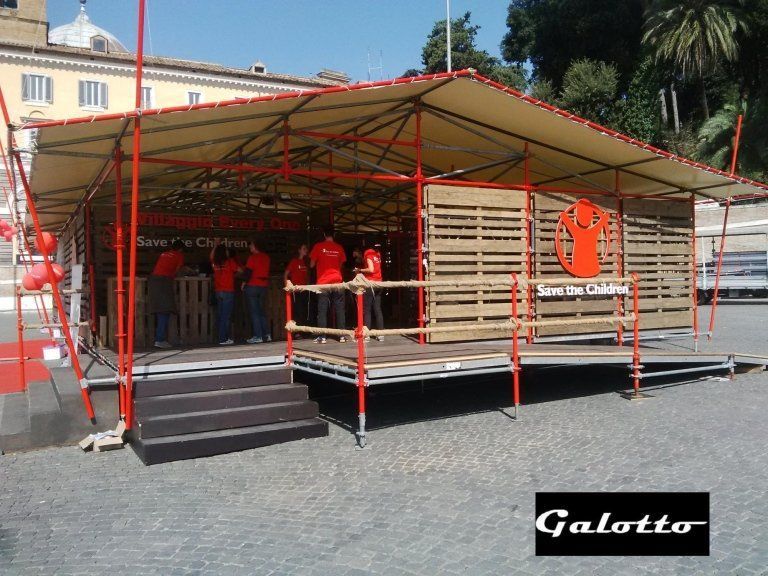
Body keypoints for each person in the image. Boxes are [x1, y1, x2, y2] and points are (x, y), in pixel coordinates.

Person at [309, 227, 347, 344]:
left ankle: (322, 337)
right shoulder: (339, 247)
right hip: (337, 281)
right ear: (333, 235)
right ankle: (342, 336)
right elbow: (341, 263)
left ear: (324, 234)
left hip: (323, 282)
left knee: (322, 310)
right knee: (340, 309)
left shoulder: (318, 246)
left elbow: (311, 264)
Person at [148, 239, 185, 349]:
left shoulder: (164, 254)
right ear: (181, 249)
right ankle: (160, 339)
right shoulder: (179, 255)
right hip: (164, 281)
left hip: (153, 281)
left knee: (160, 310)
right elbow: (178, 270)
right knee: (164, 310)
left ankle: (160, 338)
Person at [210, 240, 241, 345]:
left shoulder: (215, 263)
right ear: (224, 252)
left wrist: (215, 246)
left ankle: (220, 337)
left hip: (218, 292)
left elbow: (211, 256)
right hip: (228, 291)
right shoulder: (230, 262)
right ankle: (223, 339)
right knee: (226, 316)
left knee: (220, 315)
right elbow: (240, 270)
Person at [354, 241, 384, 342]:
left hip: (370, 284)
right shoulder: (377, 253)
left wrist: (359, 270)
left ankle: (366, 335)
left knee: (367, 310)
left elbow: (371, 269)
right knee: (377, 309)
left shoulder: (368, 253)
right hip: (379, 283)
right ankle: (381, 334)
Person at [244, 240, 271, 344]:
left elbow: (248, 272)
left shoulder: (252, 257)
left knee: (255, 313)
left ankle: (258, 336)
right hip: (263, 286)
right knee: (261, 312)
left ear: (255, 246)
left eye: (251, 245)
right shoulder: (267, 257)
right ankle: (267, 335)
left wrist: (243, 283)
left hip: (253, 285)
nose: (250, 247)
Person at [284, 244, 310, 338]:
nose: (305, 250)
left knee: (304, 311)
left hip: (304, 290)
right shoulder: (294, 261)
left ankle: (303, 331)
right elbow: (286, 273)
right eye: (304, 249)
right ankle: (297, 332)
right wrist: (287, 286)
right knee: (298, 310)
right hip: (296, 290)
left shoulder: (306, 262)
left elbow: (306, 276)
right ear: (299, 250)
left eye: (306, 248)